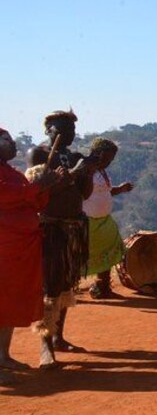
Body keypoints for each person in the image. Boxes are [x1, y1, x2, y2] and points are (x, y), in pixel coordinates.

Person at [26, 109, 99, 368]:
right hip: (50, 229)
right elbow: (39, 192)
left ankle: (58, 337)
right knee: (50, 286)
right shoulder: (38, 155)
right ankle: (45, 346)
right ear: (48, 130)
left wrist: (87, 173)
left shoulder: (74, 157)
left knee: (67, 285)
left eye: (71, 130)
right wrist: (71, 174)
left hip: (73, 229)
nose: (69, 133)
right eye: (62, 129)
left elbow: (85, 194)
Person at [0, 128, 64, 382]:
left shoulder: (13, 174)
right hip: (4, 248)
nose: (13, 144)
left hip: (20, 250)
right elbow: (8, 197)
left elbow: (35, 202)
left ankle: (3, 356)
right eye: (6, 141)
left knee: (11, 304)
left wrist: (46, 186)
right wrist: (37, 186)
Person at [83, 138, 134, 298]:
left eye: (111, 160)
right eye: (107, 158)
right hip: (87, 219)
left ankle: (103, 285)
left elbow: (105, 192)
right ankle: (66, 290)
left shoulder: (101, 171)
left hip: (103, 219)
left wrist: (121, 189)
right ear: (97, 153)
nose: (109, 162)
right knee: (83, 253)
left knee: (109, 249)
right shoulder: (85, 169)